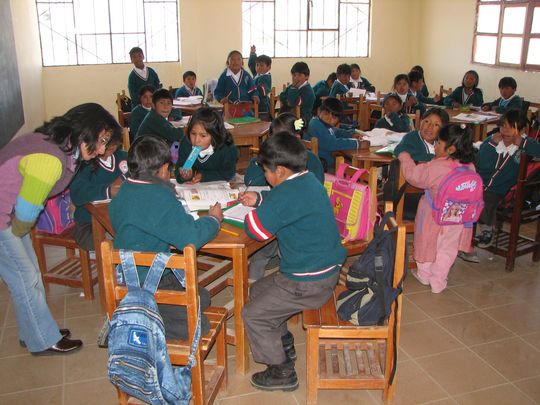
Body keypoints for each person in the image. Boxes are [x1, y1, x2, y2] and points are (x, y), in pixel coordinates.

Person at [0, 102, 120, 355]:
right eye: (100, 141)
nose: (101, 149)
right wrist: (19, 234)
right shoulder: (51, 159)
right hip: (5, 217)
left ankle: (33, 330)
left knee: (29, 274)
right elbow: (25, 213)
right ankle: (42, 340)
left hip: (9, 213)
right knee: (26, 277)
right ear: (85, 131)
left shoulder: (62, 145)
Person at [239, 132, 346, 391]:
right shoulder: (307, 181)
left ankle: (281, 371)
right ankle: (283, 343)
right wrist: (261, 199)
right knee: (258, 290)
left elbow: (257, 230)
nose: (264, 177)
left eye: (266, 172)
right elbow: (288, 205)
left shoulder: (288, 193)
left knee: (252, 315)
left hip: (308, 281)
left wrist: (247, 212)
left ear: (280, 171)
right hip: (321, 271)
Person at [110, 135, 221, 340]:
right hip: (152, 280)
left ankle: (144, 312)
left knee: (202, 297)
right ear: (162, 169)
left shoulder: (124, 190)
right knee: (200, 324)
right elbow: (190, 238)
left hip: (127, 276)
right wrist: (213, 220)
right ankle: (143, 322)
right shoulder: (159, 196)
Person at [244, 113, 325, 280]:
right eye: (272, 138)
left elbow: (299, 200)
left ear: (296, 138)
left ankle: (281, 269)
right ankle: (255, 277)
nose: (275, 143)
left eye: (280, 139)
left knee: (265, 241)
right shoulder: (275, 161)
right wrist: (264, 157)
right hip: (279, 210)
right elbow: (250, 179)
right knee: (260, 250)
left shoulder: (310, 162)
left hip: (297, 223)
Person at [397, 124, 477, 293]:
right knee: (447, 248)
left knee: (427, 242)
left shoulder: (436, 166)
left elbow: (413, 175)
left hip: (432, 214)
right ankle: (439, 281)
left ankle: (424, 275)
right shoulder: (470, 166)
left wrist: (405, 157)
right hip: (457, 216)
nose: (435, 146)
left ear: (451, 149)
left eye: (439, 143)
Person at [474, 110, 540, 249]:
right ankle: (463, 231)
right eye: (503, 126)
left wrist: (523, 143)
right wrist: (491, 144)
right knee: (465, 194)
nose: (506, 131)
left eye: (512, 127)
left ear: (521, 130)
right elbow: (480, 162)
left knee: (485, 199)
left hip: (503, 190)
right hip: (481, 183)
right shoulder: (492, 141)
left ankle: (487, 230)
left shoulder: (523, 146)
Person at [70, 131, 128, 251]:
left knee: (142, 234)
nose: (111, 146)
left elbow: (140, 173)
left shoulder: (124, 157)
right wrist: (107, 191)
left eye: (115, 142)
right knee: (118, 242)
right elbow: (77, 193)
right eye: (106, 141)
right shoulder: (86, 163)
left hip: (121, 219)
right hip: (88, 224)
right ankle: (115, 266)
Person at [175, 107, 238, 184]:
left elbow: (229, 174)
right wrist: (184, 176)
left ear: (215, 135)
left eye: (203, 136)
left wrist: (203, 176)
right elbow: (179, 170)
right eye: (193, 134)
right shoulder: (186, 144)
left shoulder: (227, 149)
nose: (196, 141)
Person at [305, 97, 359, 171]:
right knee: (353, 169)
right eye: (326, 113)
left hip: (325, 161)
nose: (329, 118)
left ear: (338, 120)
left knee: (350, 165)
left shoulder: (321, 123)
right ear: (319, 111)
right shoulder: (316, 125)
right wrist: (356, 143)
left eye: (334, 117)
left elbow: (335, 131)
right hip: (323, 166)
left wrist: (350, 134)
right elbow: (332, 144)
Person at [214, 50, 260, 116]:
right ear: (228, 62)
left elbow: (253, 89)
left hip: (245, 108)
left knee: (249, 123)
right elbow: (218, 92)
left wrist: (255, 95)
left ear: (242, 62)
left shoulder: (246, 75)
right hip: (230, 109)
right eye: (232, 59)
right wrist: (221, 98)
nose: (235, 62)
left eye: (238, 59)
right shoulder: (224, 76)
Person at [248, 45, 272, 120]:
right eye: (257, 65)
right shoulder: (257, 74)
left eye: (261, 65)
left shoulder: (266, 78)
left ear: (268, 67)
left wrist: (250, 90)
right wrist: (253, 54)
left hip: (262, 108)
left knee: (262, 125)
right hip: (254, 106)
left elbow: (262, 91)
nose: (258, 67)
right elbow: (251, 64)